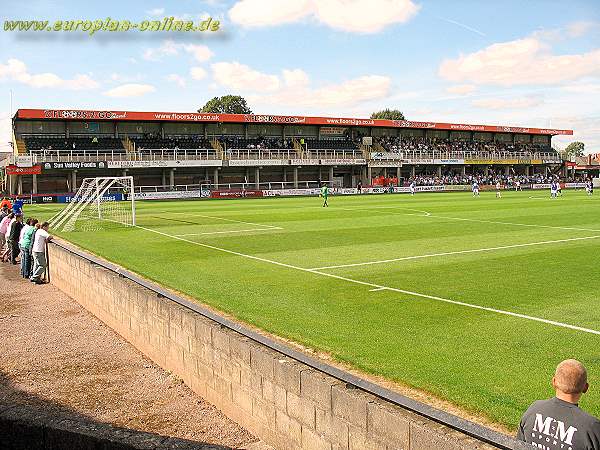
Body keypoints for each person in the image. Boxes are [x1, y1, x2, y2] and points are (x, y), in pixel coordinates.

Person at [516, 359, 600, 450]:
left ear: (554, 382)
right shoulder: (592, 428)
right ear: (585, 388)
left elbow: (518, 445)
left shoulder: (534, 409)